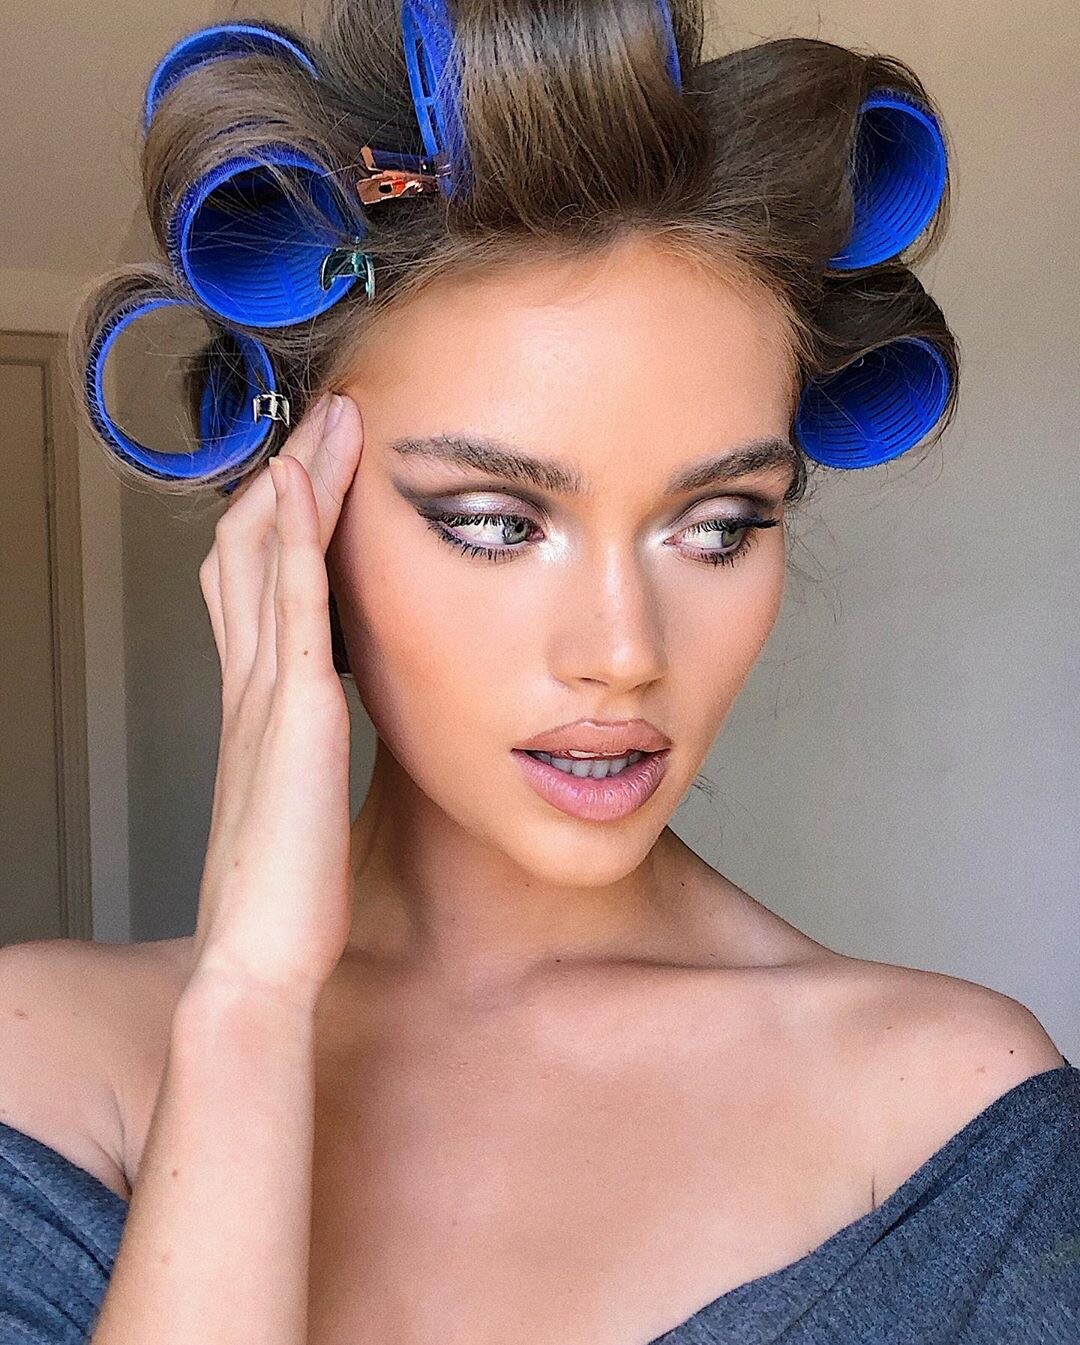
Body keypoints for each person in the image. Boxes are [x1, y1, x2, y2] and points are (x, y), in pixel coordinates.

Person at [2, 2, 1077, 1343]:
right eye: (496, 523)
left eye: (717, 526)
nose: (623, 653)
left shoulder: (952, 1126)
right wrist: (249, 1006)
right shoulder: (49, 1073)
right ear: (292, 518)